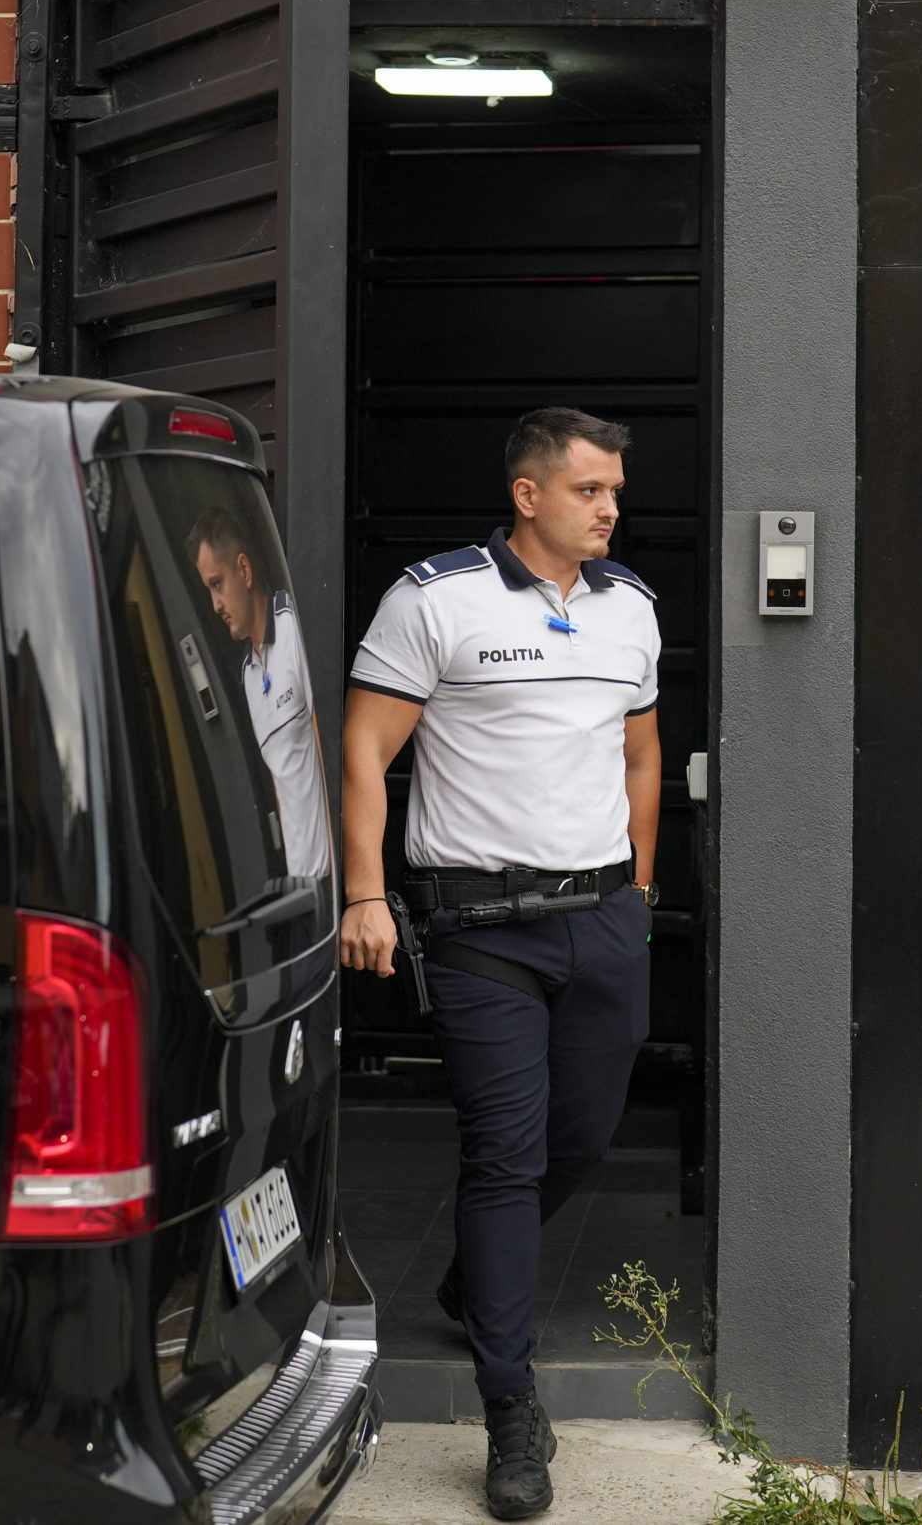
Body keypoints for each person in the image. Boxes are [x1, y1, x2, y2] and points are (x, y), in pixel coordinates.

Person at [337, 407, 661, 1522]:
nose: (610, 507)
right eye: (590, 490)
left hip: (603, 919)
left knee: (583, 1134)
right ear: (529, 496)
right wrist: (366, 894)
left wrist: (642, 889)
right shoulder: (436, 600)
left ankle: (479, 1282)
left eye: (614, 490)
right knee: (506, 1156)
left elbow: (640, 750)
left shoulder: (632, 612)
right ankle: (511, 1409)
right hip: (480, 934)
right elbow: (367, 749)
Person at [191, 506, 330, 882]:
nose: (215, 605)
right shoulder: (248, 676)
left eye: (217, 584)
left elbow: (329, 755)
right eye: (208, 590)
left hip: (332, 883)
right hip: (301, 889)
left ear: (245, 570)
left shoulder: (294, 632)